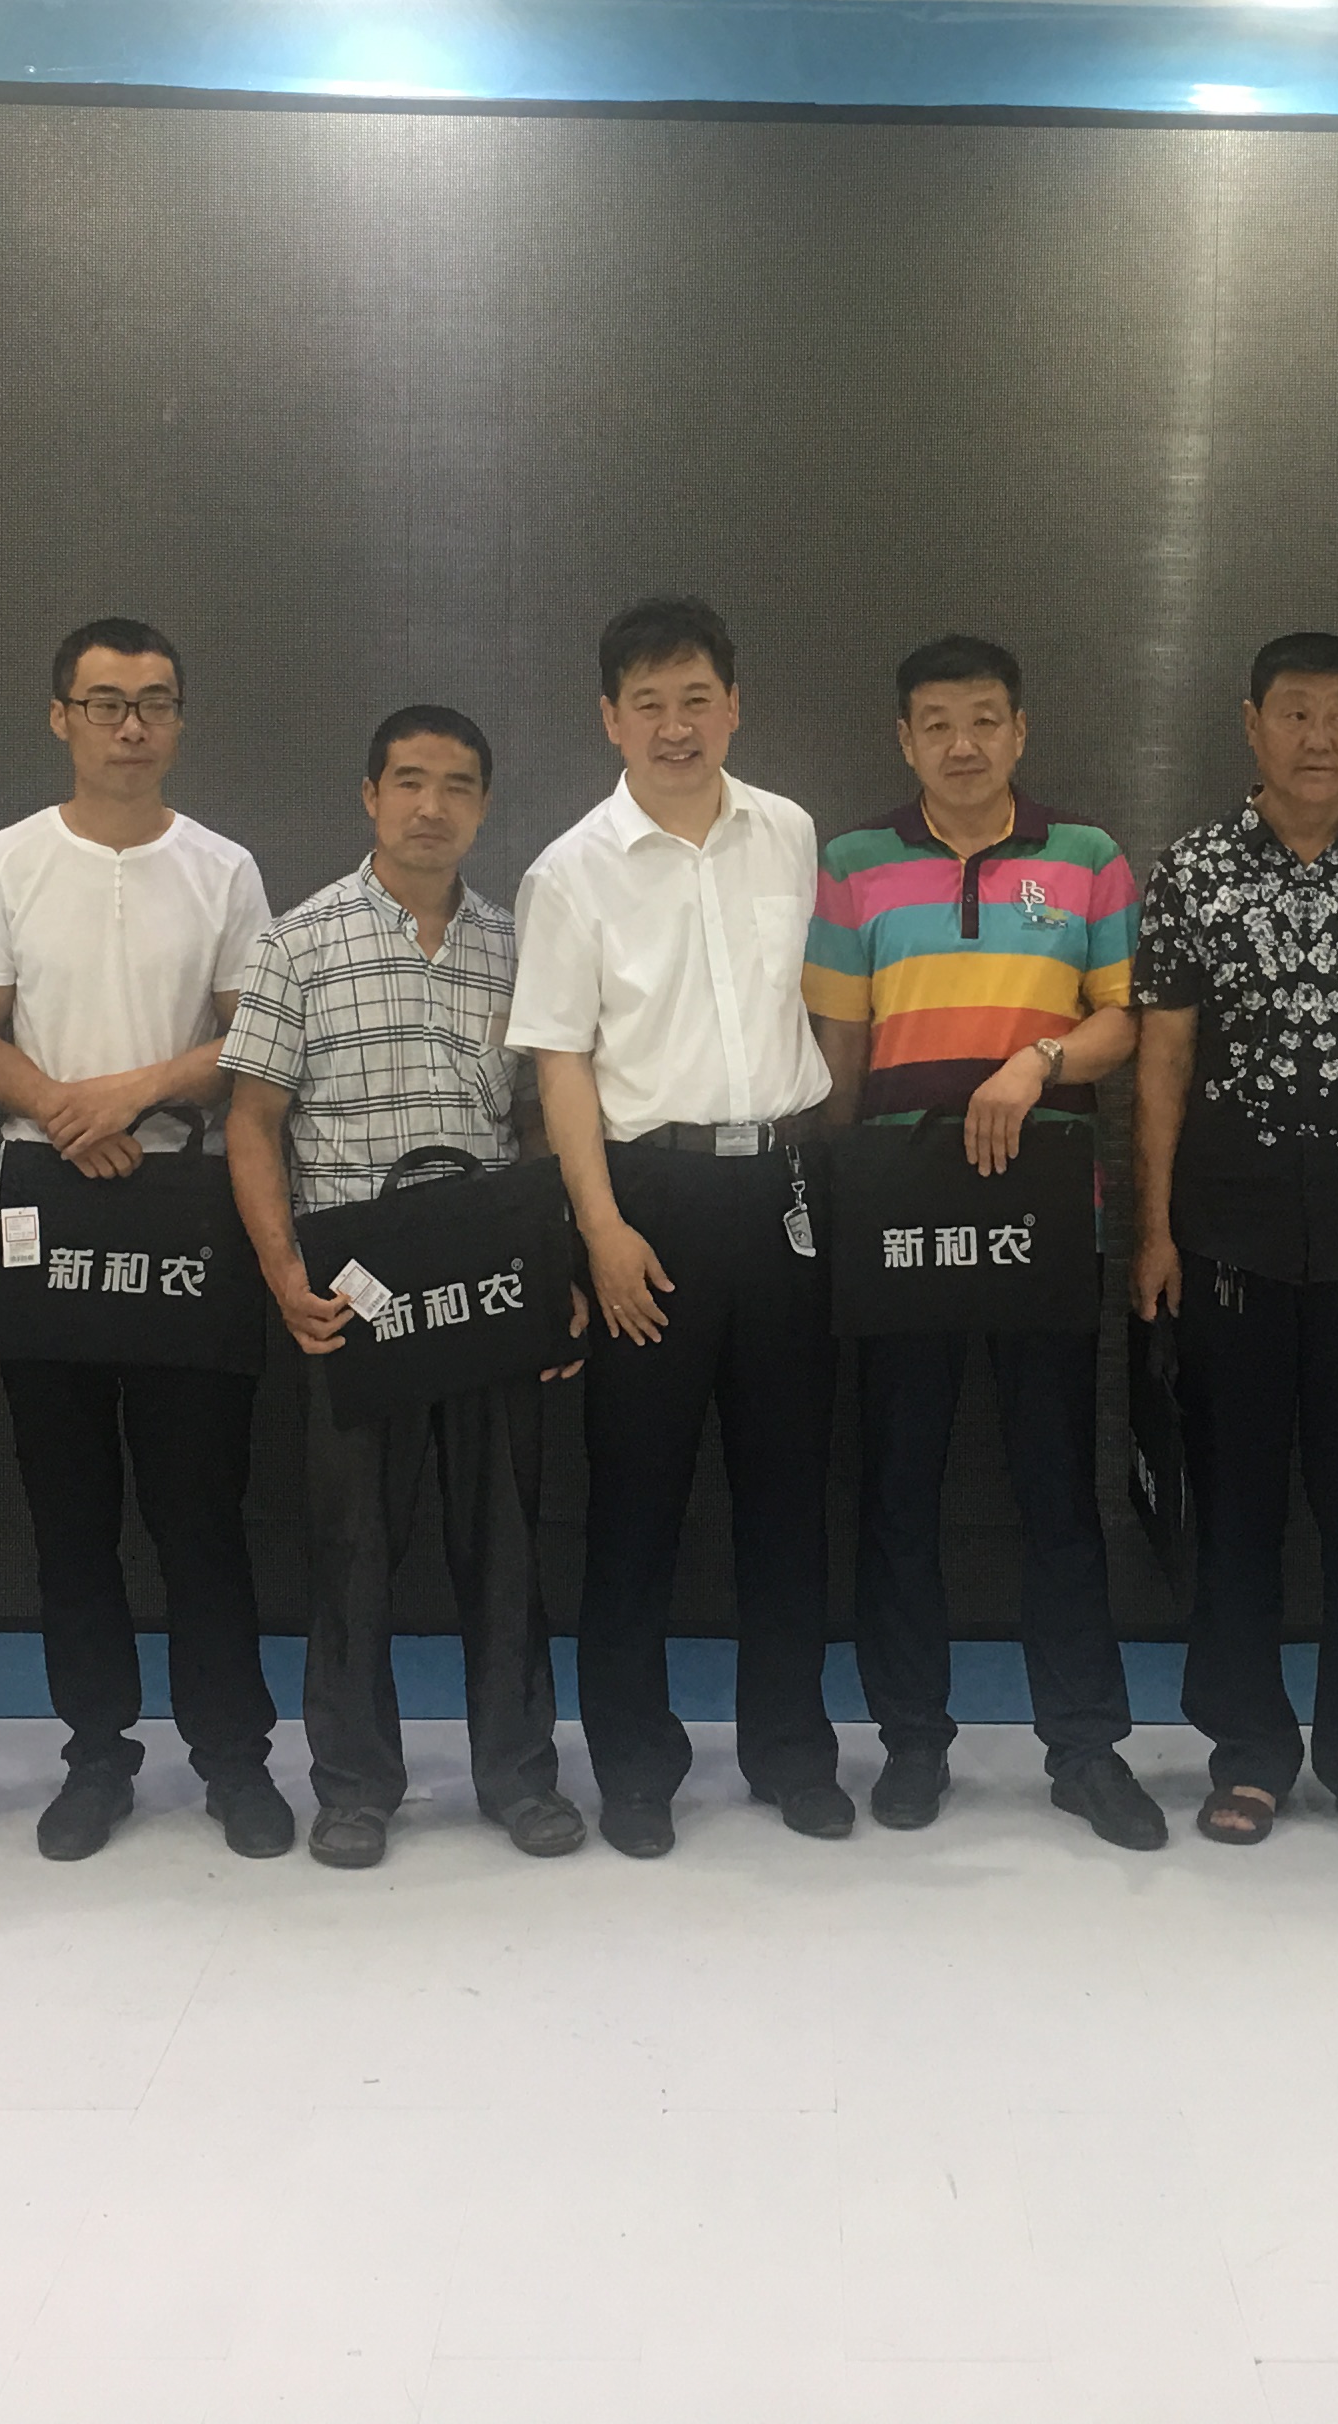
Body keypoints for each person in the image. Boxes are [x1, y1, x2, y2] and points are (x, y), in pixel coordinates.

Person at [506, 595, 849, 1857]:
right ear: (610, 718)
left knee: (788, 1498)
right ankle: (636, 1767)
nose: (674, 725)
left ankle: (792, 1753)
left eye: (696, 698)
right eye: (647, 703)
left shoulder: (792, 834)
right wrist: (597, 1227)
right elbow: (559, 1065)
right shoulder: (569, 871)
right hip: (645, 1205)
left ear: (734, 704)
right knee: (637, 1504)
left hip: (783, 1198)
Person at [807, 634, 1161, 1850]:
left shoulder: (1088, 857)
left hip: (1047, 1214)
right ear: (905, 740)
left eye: (985, 720)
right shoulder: (853, 865)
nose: (963, 744)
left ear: (1020, 731)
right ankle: (912, 1740)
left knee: (1058, 1488)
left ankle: (1086, 1747)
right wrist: (837, 1198)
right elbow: (840, 1053)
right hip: (897, 1213)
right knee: (898, 1488)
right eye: (938, 724)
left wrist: (1038, 1059)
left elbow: (1123, 1020)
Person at [1132, 631, 1338, 1859]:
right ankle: (1249, 1753)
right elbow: (1163, 1059)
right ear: (1252, 724)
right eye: (1294, 712)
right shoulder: (1193, 870)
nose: (1317, 737)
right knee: (1235, 1511)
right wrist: (1154, 1229)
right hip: (1227, 1238)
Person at [225, 704, 585, 1870]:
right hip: (356, 1291)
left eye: (458, 785)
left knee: (508, 1547)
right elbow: (253, 1122)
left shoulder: (518, 948)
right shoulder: (298, 941)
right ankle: (353, 1787)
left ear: (484, 805)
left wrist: (559, 1271)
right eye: (410, 782)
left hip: (489, 1282)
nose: (433, 806)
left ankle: (520, 1775)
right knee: (352, 1550)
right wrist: (284, 1274)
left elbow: (542, 1122)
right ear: (370, 796)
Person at [0, 619, 286, 1864]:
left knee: (202, 1513)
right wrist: (60, 1110)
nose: (130, 726)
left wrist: (133, 1092)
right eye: (104, 703)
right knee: (71, 1514)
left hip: (181, 1208)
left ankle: (234, 1759)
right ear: (62, 718)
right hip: (42, 1208)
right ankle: (97, 1756)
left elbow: (250, 1037)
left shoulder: (224, 868)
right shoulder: (6, 860)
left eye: (153, 702)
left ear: (179, 720)